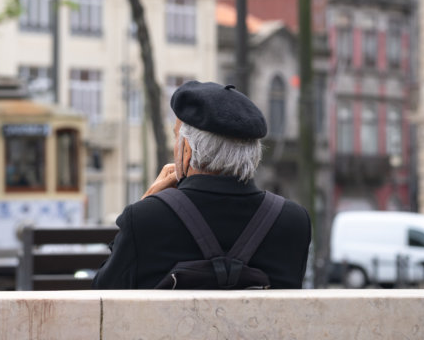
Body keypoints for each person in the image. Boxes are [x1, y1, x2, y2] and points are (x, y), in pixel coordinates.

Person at [92, 80, 311, 289]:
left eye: (176, 138)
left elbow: (103, 293)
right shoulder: (294, 223)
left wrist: (145, 203)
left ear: (187, 150)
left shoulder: (144, 220)